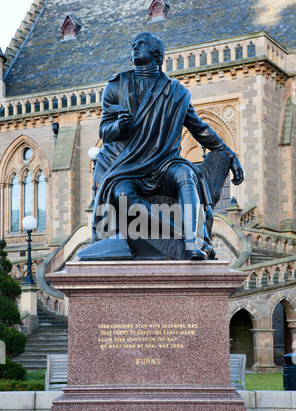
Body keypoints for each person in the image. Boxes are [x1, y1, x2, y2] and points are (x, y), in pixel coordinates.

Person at [90, 32, 243, 260]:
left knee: (184, 173)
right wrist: (120, 128)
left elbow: (198, 128)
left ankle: (193, 243)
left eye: (140, 44)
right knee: (122, 195)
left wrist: (227, 152)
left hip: (163, 164)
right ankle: (182, 230)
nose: (134, 47)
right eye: (133, 45)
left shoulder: (176, 91)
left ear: (156, 53)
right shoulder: (116, 87)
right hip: (128, 166)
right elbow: (105, 131)